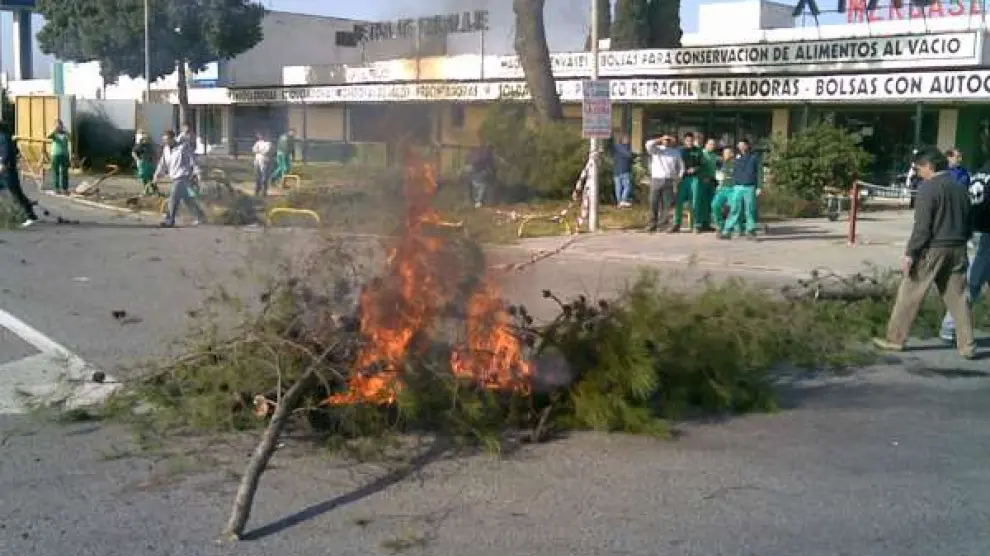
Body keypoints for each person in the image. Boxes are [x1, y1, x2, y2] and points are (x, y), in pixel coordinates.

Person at [873, 148, 976, 360]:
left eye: (919, 168)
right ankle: (967, 345)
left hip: (933, 249)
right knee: (958, 298)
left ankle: (895, 339)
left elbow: (922, 228)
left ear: (929, 166)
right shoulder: (960, 188)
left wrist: (910, 253)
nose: (918, 172)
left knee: (910, 293)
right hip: (958, 248)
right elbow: (969, 222)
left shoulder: (927, 189)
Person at [939, 160, 990, 343]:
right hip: (987, 234)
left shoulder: (979, 173)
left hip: (975, 230)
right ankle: (950, 325)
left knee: (975, 277)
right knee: (973, 282)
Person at [154, 129, 206, 228]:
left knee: (174, 197)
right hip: (174, 177)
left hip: (183, 176)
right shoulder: (166, 149)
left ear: (173, 139)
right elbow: (162, 163)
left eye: (167, 140)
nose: (165, 142)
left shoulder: (183, 147)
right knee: (187, 200)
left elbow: (193, 160)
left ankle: (170, 220)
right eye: (164, 140)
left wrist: (198, 173)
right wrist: (157, 174)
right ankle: (201, 216)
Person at [719, 138, 761, 240]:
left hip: (750, 186)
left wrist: (759, 187)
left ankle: (750, 231)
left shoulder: (754, 157)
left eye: (743, 145)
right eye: (739, 145)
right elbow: (729, 169)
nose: (741, 147)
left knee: (750, 210)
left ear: (747, 146)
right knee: (734, 209)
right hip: (737, 187)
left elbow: (759, 172)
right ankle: (727, 231)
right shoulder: (736, 158)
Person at [0, 122, 39, 227]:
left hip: (8, 171)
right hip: (5, 171)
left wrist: (2, 165)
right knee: (12, 193)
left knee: (16, 193)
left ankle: (30, 216)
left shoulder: (3, 137)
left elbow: (6, 153)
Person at [644, 134, 684, 232]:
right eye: (665, 140)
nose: (667, 141)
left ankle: (662, 225)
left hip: (669, 180)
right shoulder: (656, 150)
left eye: (668, 140)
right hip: (656, 179)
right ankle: (652, 224)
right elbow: (648, 144)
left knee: (667, 204)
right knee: (653, 202)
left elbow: (681, 166)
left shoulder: (675, 152)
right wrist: (661, 139)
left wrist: (679, 177)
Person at [712, 146, 735, 233]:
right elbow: (718, 175)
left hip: (732, 188)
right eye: (724, 153)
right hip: (722, 188)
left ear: (732, 154)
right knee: (715, 205)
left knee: (733, 207)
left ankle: (729, 227)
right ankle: (720, 225)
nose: (726, 155)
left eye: (728, 153)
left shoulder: (736, 163)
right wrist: (719, 184)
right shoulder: (721, 164)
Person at [698, 137, 719, 231]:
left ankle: (707, 224)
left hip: (711, 181)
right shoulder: (701, 154)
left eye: (714, 145)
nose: (712, 146)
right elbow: (698, 166)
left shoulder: (714, 156)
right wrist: (702, 177)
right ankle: (699, 224)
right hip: (702, 181)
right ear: (706, 144)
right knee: (701, 203)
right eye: (710, 144)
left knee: (710, 203)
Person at [466, 143, 496, 208]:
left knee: (476, 186)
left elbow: (469, 161)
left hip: (471, 171)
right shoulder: (488, 154)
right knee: (482, 186)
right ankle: (479, 202)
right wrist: (491, 171)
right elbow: (490, 165)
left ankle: (474, 201)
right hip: (477, 172)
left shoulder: (477, 152)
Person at [612, 133, 635, 208]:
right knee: (627, 187)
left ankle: (619, 203)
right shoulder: (627, 148)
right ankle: (623, 201)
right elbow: (630, 157)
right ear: (623, 140)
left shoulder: (616, 147)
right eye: (627, 139)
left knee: (618, 188)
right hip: (625, 171)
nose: (628, 140)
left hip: (616, 171)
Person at [48, 120, 71, 195]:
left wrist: (66, 130)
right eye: (57, 125)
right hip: (55, 154)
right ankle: (56, 188)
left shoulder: (65, 134)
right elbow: (48, 136)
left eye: (60, 125)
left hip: (65, 154)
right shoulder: (54, 134)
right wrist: (54, 130)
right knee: (56, 172)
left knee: (65, 172)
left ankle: (65, 189)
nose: (59, 127)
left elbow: (71, 138)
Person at [132, 130, 158, 196]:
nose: (146, 140)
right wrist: (138, 159)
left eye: (147, 139)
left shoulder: (150, 146)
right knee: (144, 177)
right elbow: (134, 153)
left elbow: (154, 154)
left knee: (151, 177)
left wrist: (154, 160)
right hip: (143, 163)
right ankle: (146, 190)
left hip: (150, 163)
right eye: (144, 139)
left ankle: (154, 190)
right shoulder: (139, 146)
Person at [252, 132, 274, 197]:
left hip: (265, 161)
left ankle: (264, 191)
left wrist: (259, 151)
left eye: (261, 135)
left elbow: (266, 151)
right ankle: (257, 190)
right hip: (257, 161)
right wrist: (260, 151)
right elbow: (254, 150)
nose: (259, 137)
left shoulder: (269, 143)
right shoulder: (258, 142)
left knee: (264, 176)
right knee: (257, 176)